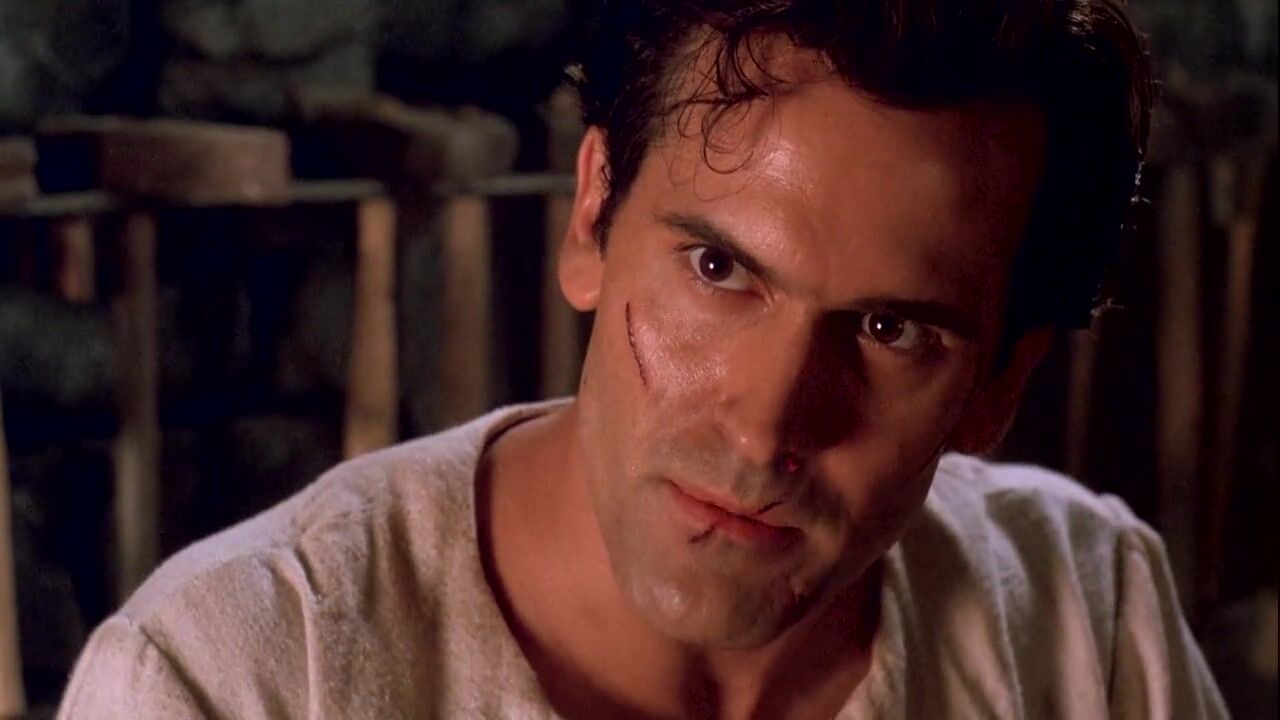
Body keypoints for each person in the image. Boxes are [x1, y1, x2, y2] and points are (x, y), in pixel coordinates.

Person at [58, 1, 1228, 718]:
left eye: (891, 331)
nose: (763, 430)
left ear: (1000, 387)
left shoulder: (1085, 619)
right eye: (718, 270)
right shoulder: (234, 678)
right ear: (592, 216)